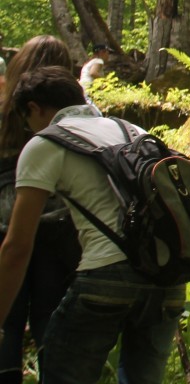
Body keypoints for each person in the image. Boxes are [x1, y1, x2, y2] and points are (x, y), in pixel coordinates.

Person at [0, 67, 184, 383]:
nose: (29, 130)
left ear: (34, 108)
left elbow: (17, 246)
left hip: (106, 276)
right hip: (167, 276)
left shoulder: (44, 144)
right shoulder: (132, 130)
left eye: (27, 121)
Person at [0, 38, 80, 384]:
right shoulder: (68, 116)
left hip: (5, 223)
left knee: (7, 316)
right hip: (57, 222)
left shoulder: (6, 110)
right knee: (51, 312)